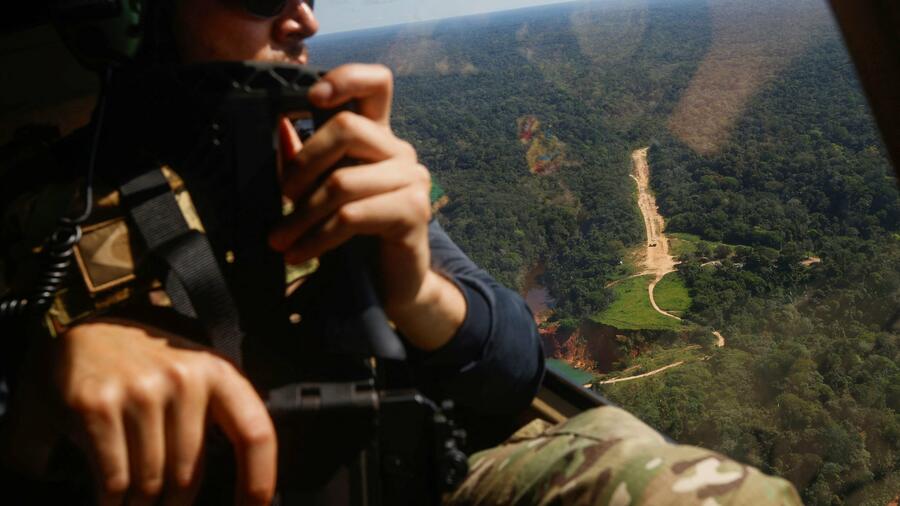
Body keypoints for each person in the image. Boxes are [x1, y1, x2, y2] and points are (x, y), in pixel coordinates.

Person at [0, 1, 804, 504]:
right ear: (140, 14)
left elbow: (516, 366)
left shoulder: (327, 159)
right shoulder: (38, 208)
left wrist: (418, 282)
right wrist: (40, 384)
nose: (305, 17)